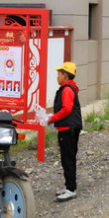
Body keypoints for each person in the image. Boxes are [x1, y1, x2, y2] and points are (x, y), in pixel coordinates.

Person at [47, 62, 82, 202]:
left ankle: (71, 189)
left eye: (59, 74)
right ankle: (69, 186)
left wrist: (52, 119)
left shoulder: (67, 90)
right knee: (67, 158)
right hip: (67, 128)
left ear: (65, 75)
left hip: (68, 129)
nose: (57, 77)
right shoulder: (68, 88)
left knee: (68, 158)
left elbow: (66, 109)